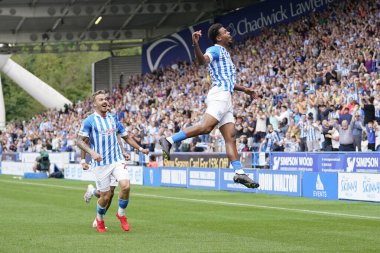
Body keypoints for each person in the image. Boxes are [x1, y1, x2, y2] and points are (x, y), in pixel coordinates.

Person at [159, 23, 259, 189]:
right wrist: (195, 44)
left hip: (227, 98)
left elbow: (228, 81)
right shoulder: (215, 50)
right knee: (205, 127)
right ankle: (169, 140)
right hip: (219, 95)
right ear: (219, 37)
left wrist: (245, 90)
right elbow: (202, 61)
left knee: (231, 137)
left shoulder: (225, 53)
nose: (229, 33)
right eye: (225, 31)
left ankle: (239, 173)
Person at [77, 90, 149, 233]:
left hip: (116, 160)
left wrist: (140, 148)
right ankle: (99, 218)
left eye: (106, 99)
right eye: (101, 99)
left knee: (125, 186)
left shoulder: (113, 118)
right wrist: (87, 156)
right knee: (105, 196)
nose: (105, 101)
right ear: (94, 104)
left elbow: (123, 136)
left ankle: (121, 214)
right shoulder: (90, 121)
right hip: (100, 164)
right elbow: (80, 141)